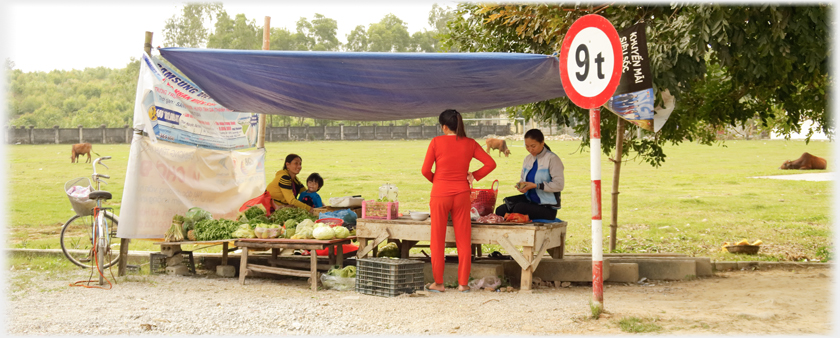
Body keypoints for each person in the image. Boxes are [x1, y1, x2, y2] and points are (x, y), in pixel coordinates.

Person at [421, 109, 496, 293]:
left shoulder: (436, 142)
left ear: (444, 127)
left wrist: (438, 182)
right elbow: (491, 164)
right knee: (463, 239)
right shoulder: (469, 143)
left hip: (440, 195)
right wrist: (474, 175)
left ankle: (438, 283)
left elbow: (425, 170)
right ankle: (463, 284)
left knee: (437, 239)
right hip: (462, 194)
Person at [495, 129, 564, 221]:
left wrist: (536, 186)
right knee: (500, 210)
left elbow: (559, 185)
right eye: (527, 146)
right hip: (529, 201)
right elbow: (522, 179)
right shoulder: (527, 159)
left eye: (533, 146)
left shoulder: (552, 159)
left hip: (547, 207)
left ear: (542, 143)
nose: (530, 149)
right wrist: (521, 186)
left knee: (519, 209)